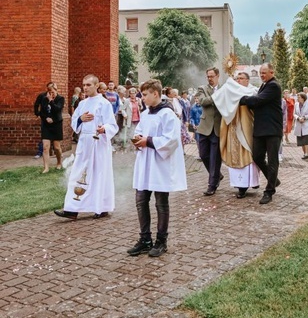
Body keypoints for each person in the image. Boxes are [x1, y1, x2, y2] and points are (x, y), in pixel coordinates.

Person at [127, 79, 187, 257]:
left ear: (155, 93)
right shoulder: (145, 114)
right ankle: (145, 239)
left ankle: (162, 241)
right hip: (145, 161)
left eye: (144, 95)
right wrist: (137, 139)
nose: (142, 98)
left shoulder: (168, 114)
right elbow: (139, 130)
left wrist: (149, 141)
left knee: (161, 202)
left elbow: (172, 140)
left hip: (160, 164)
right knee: (140, 200)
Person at [54, 74, 118, 220]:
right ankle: (71, 209)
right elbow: (74, 121)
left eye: (88, 85)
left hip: (99, 142)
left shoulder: (104, 103)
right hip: (85, 142)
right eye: (84, 85)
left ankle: (101, 208)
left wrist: (104, 128)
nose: (85, 88)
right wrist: (80, 119)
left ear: (96, 86)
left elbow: (112, 125)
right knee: (78, 174)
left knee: (99, 174)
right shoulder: (82, 103)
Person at [239, 63, 282, 205]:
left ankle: (269, 191)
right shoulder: (264, 85)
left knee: (272, 160)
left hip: (272, 130)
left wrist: (242, 99)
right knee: (257, 156)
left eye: (264, 73)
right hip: (260, 129)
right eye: (260, 73)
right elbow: (256, 103)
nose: (261, 75)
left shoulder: (273, 86)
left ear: (272, 72)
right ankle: (273, 180)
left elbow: (258, 100)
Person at [216, 72, 260, 199]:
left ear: (247, 80)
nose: (239, 80)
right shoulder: (231, 92)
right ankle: (240, 186)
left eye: (241, 78)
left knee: (249, 154)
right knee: (234, 155)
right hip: (233, 129)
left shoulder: (252, 91)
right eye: (237, 78)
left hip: (247, 129)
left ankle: (252, 182)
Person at [195, 67, 223, 196]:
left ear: (217, 76)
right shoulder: (202, 89)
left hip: (218, 128)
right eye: (208, 76)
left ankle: (212, 185)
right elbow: (203, 102)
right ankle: (217, 175)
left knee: (215, 158)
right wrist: (217, 96)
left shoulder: (224, 89)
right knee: (203, 155)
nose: (209, 79)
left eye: (212, 76)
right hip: (204, 127)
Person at [35, 83, 65, 173]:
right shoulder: (44, 99)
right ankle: (46, 167)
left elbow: (57, 110)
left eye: (53, 92)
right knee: (45, 147)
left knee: (56, 147)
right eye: (49, 92)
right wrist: (45, 118)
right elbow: (42, 111)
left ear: (56, 91)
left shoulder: (61, 99)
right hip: (46, 125)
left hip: (56, 124)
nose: (51, 94)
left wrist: (51, 100)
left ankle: (59, 162)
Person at [293, 92, 308, 160]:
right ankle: (304, 153)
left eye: (299, 97)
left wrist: (304, 117)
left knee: (306, 140)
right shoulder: (296, 104)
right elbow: (294, 114)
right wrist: (298, 118)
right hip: (299, 124)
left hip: (306, 124)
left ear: (303, 98)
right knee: (301, 141)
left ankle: (306, 153)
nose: (297, 98)